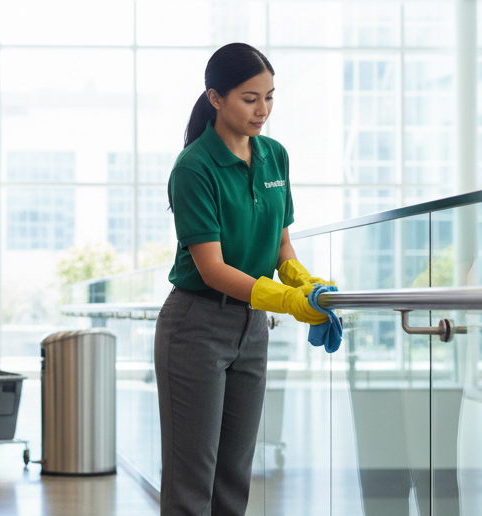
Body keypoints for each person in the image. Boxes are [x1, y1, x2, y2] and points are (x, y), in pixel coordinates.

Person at [154, 43, 333, 515]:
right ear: (215, 98)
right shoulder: (194, 166)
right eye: (250, 98)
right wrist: (286, 301)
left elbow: (281, 245)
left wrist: (301, 281)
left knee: (235, 474)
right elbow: (211, 268)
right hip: (195, 326)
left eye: (270, 97)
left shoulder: (275, 156)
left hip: (251, 327)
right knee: (193, 478)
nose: (263, 110)